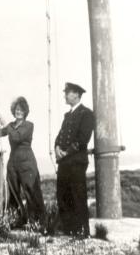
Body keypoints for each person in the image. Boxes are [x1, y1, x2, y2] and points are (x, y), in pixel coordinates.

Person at [0, 97, 46, 227]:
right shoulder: (10, 125)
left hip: (27, 163)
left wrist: (7, 126)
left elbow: (17, 137)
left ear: (25, 112)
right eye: (16, 110)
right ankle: (14, 220)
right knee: (13, 193)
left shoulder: (29, 125)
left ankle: (36, 221)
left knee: (31, 192)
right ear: (13, 111)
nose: (18, 112)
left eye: (21, 110)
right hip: (13, 164)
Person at [55, 82, 94, 237]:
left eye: (68, 92)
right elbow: (60, 136)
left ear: (77, 94)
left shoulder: (86, 114)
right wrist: (57, 147)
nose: (65, 95)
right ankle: (69, 229)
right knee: (63, 195)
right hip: (64, 162)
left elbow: (83, 139)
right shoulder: (68, 116)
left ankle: (83, 230)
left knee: (78, 195)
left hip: (76, 161)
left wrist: (66, 152)